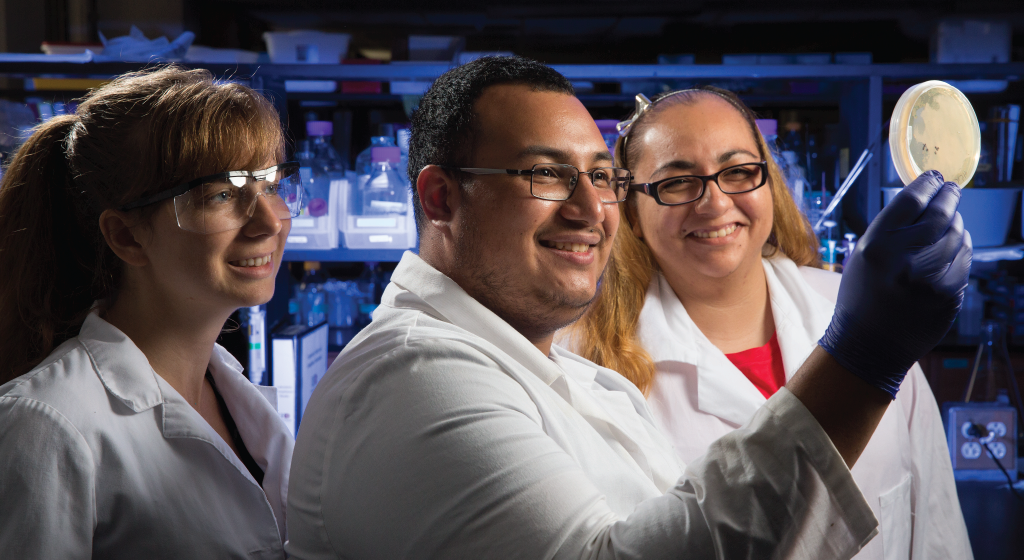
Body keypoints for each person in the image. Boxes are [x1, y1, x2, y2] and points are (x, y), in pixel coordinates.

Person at [286, 56, 971, 560]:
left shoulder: (568, 375)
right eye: (547, 173)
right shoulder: (416, 381)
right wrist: (863, 358)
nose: (589, 209)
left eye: (599, 177)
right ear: (441, 200)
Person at [566, 87, 972, 559]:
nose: (715, 204)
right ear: (632, 213)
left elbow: (937, 531)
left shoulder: (869, 313)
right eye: (676, 182)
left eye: (738, 171)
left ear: (768, 185)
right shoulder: (589, 371)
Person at [0, 66, 297, 558]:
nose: (268, 221)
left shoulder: (227, 388)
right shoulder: (46, 424)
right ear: (126, 235)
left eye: (270, 184)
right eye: (222, 194)